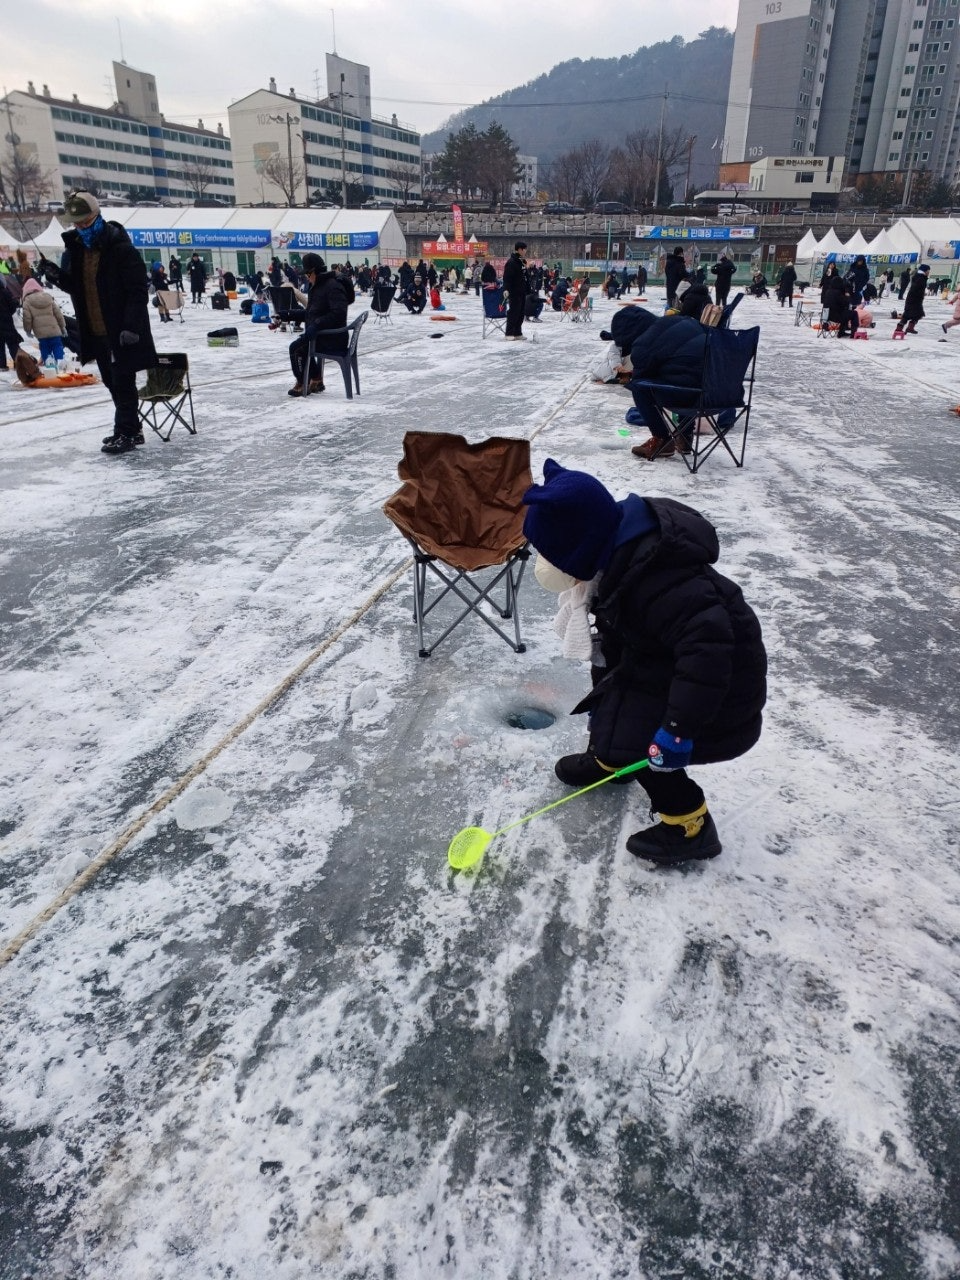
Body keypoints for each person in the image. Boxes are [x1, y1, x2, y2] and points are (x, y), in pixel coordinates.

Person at [521, 459, 767, 866]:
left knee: (641, 740)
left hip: (719, 697)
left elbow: (707, 657)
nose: (545, 566)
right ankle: (610, 760)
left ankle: (689, 824)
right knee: (613, 709)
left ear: (579, 549)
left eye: (551, 555)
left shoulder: (661, 581)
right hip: (669, 668)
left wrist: (676, 731)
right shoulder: (620, 558)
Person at [40, 191, 157, 455]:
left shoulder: (121, 249)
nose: (80, 228)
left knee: (122, 381)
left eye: (84, 222)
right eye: (76, 224)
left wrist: (131, 327)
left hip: (121, 331)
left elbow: (138, 291)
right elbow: (77, 288)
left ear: (96, 216)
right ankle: (130, 428)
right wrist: (56, 275)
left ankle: (127, 432)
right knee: (110, 381)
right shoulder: (79, 251)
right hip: (95, 329)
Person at [626, 309, 708, 460]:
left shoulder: (646, 341)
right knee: (685, 374)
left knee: (638, 386)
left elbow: (642, 374)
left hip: (689, 396)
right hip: (722, 396)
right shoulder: (689, 323)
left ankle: (662, 439)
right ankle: (685, 436)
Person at [286, 252, 349, 397]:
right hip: (323, 334)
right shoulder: (318, 286)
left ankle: (303, 382)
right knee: (302, 345)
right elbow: (311, 313)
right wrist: (286, 314)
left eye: (308, 274)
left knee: (296, 347)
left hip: (333, 337)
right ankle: (316, 379)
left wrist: (317, 325)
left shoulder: (332, 286)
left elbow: (338, 313)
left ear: (314, 271)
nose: (307, 278)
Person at [20, 278, 67, 365]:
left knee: (44, 347)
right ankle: (60, 361)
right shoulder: (48, 297)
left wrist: (28, 330)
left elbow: (27, 318)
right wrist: (63, 327)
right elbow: (58, 314)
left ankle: (48, 362)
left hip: (40, 332)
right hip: (54, 329)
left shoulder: (27, 302)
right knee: (57, 346)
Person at [503, 240, 528, 340]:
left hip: (522, 291)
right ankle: (509, 333)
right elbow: (507, 277)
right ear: (520, 249)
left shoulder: (521, 261)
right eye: (525, 249)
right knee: (513, 312)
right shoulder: (512, 262)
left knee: (521, 312)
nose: (526, 251)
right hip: (514, 291)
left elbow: (524, 276)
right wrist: (506, 289)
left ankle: (518, 333)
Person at [895, 264, 930, 336]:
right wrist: (921, 293)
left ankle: (902, 328)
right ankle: (907, 328)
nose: (929, 272)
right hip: (915, 299)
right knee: (916, 314)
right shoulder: (921, 278)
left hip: (913, 298)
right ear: (924, 271)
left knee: (910, 314)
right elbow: (916, 288)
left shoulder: (919, 276)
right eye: (928, 271)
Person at [0, 276, 25, 370]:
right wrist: (7, 314)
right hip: (6, 322)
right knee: (12, 343)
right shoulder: (5, 292)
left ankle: (1, 365)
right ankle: (18, 363)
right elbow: (12, 306)